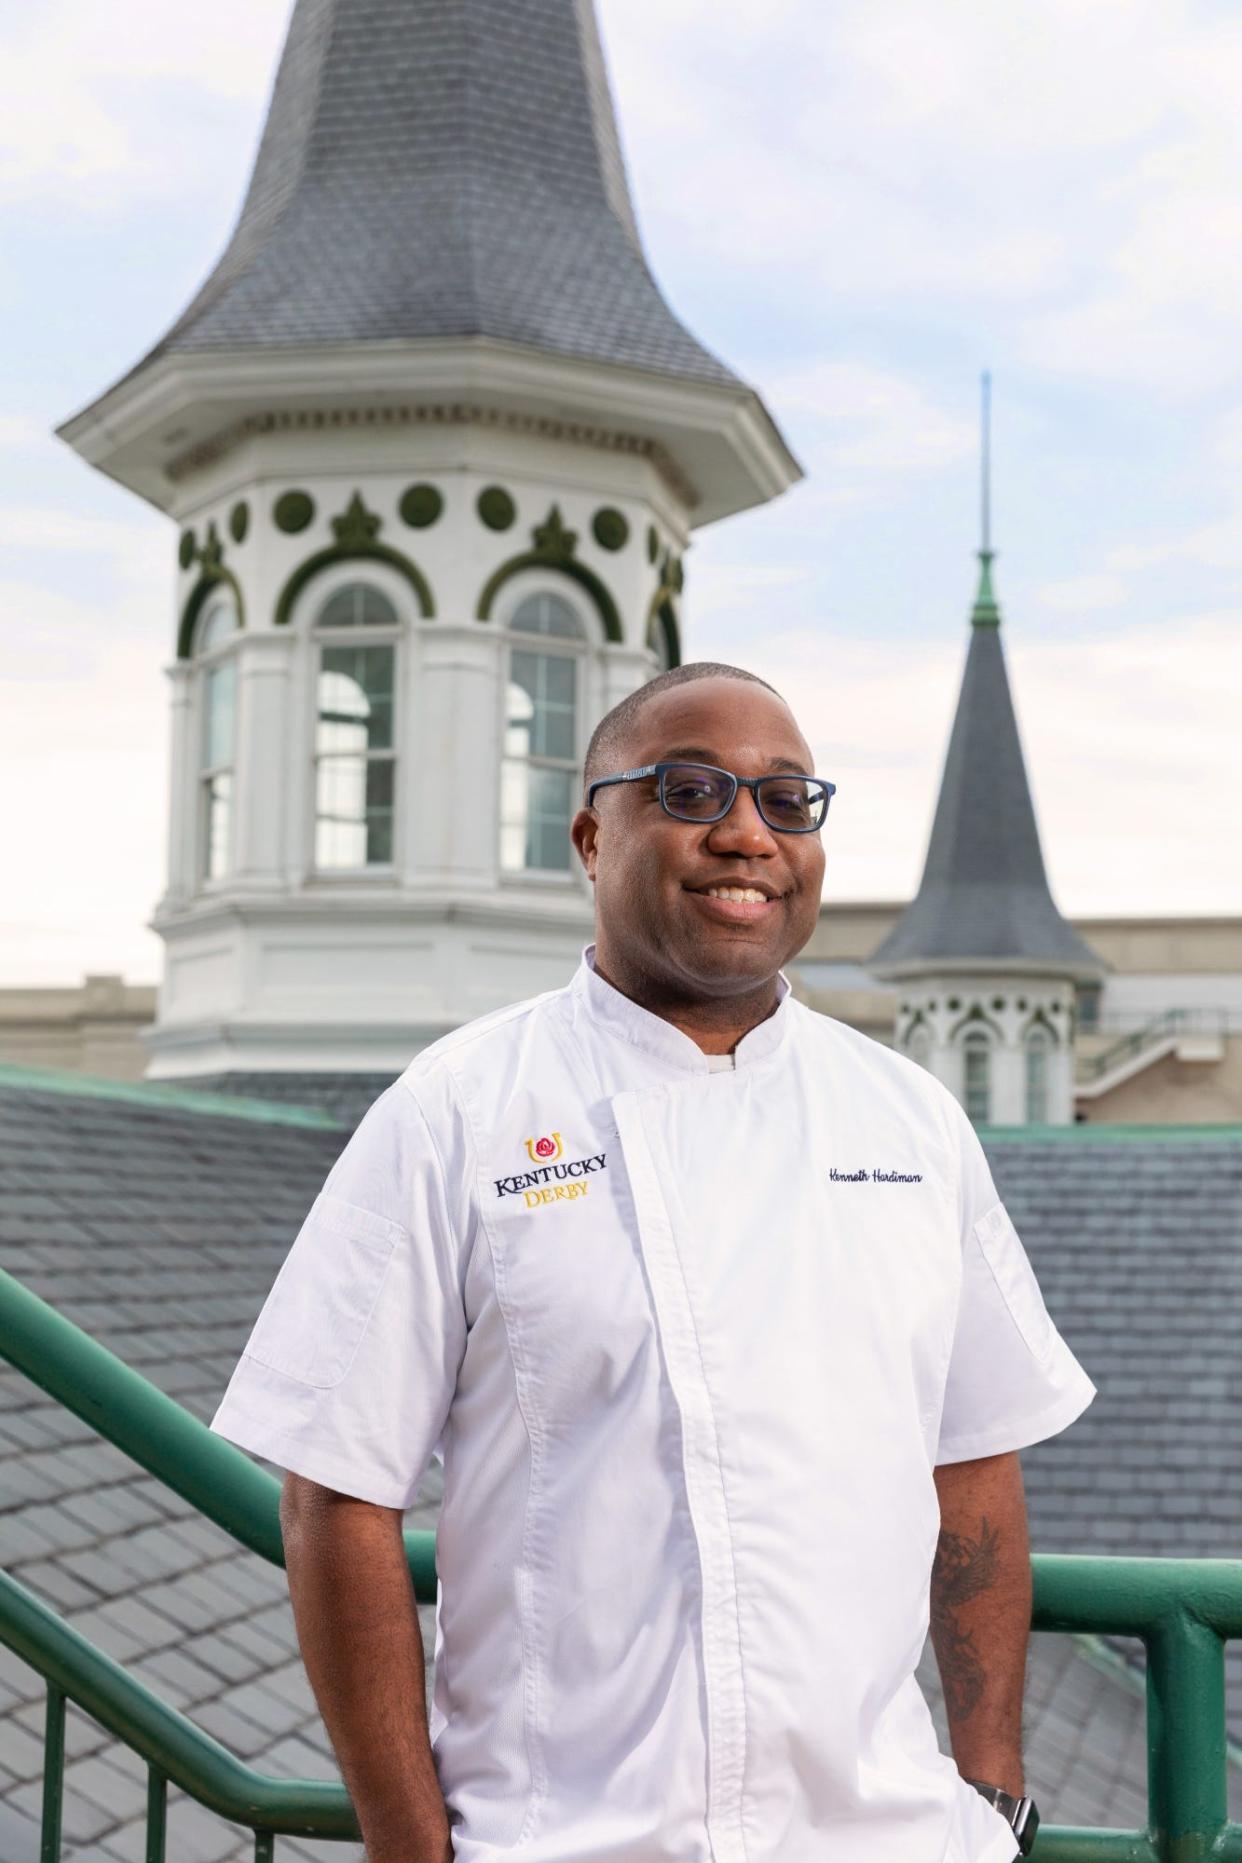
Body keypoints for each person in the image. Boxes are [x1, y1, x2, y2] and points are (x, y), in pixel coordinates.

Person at [211, 662, 1094, 1863]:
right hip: (563, 1842)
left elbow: (975, 1462)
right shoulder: (458, 1110)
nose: (746, 833)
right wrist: (411, 1852)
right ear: (591, 834)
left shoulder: (913, 1123)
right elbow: (336, 1496)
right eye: (690, 790)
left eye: (787, 801)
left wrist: (990, 1788)